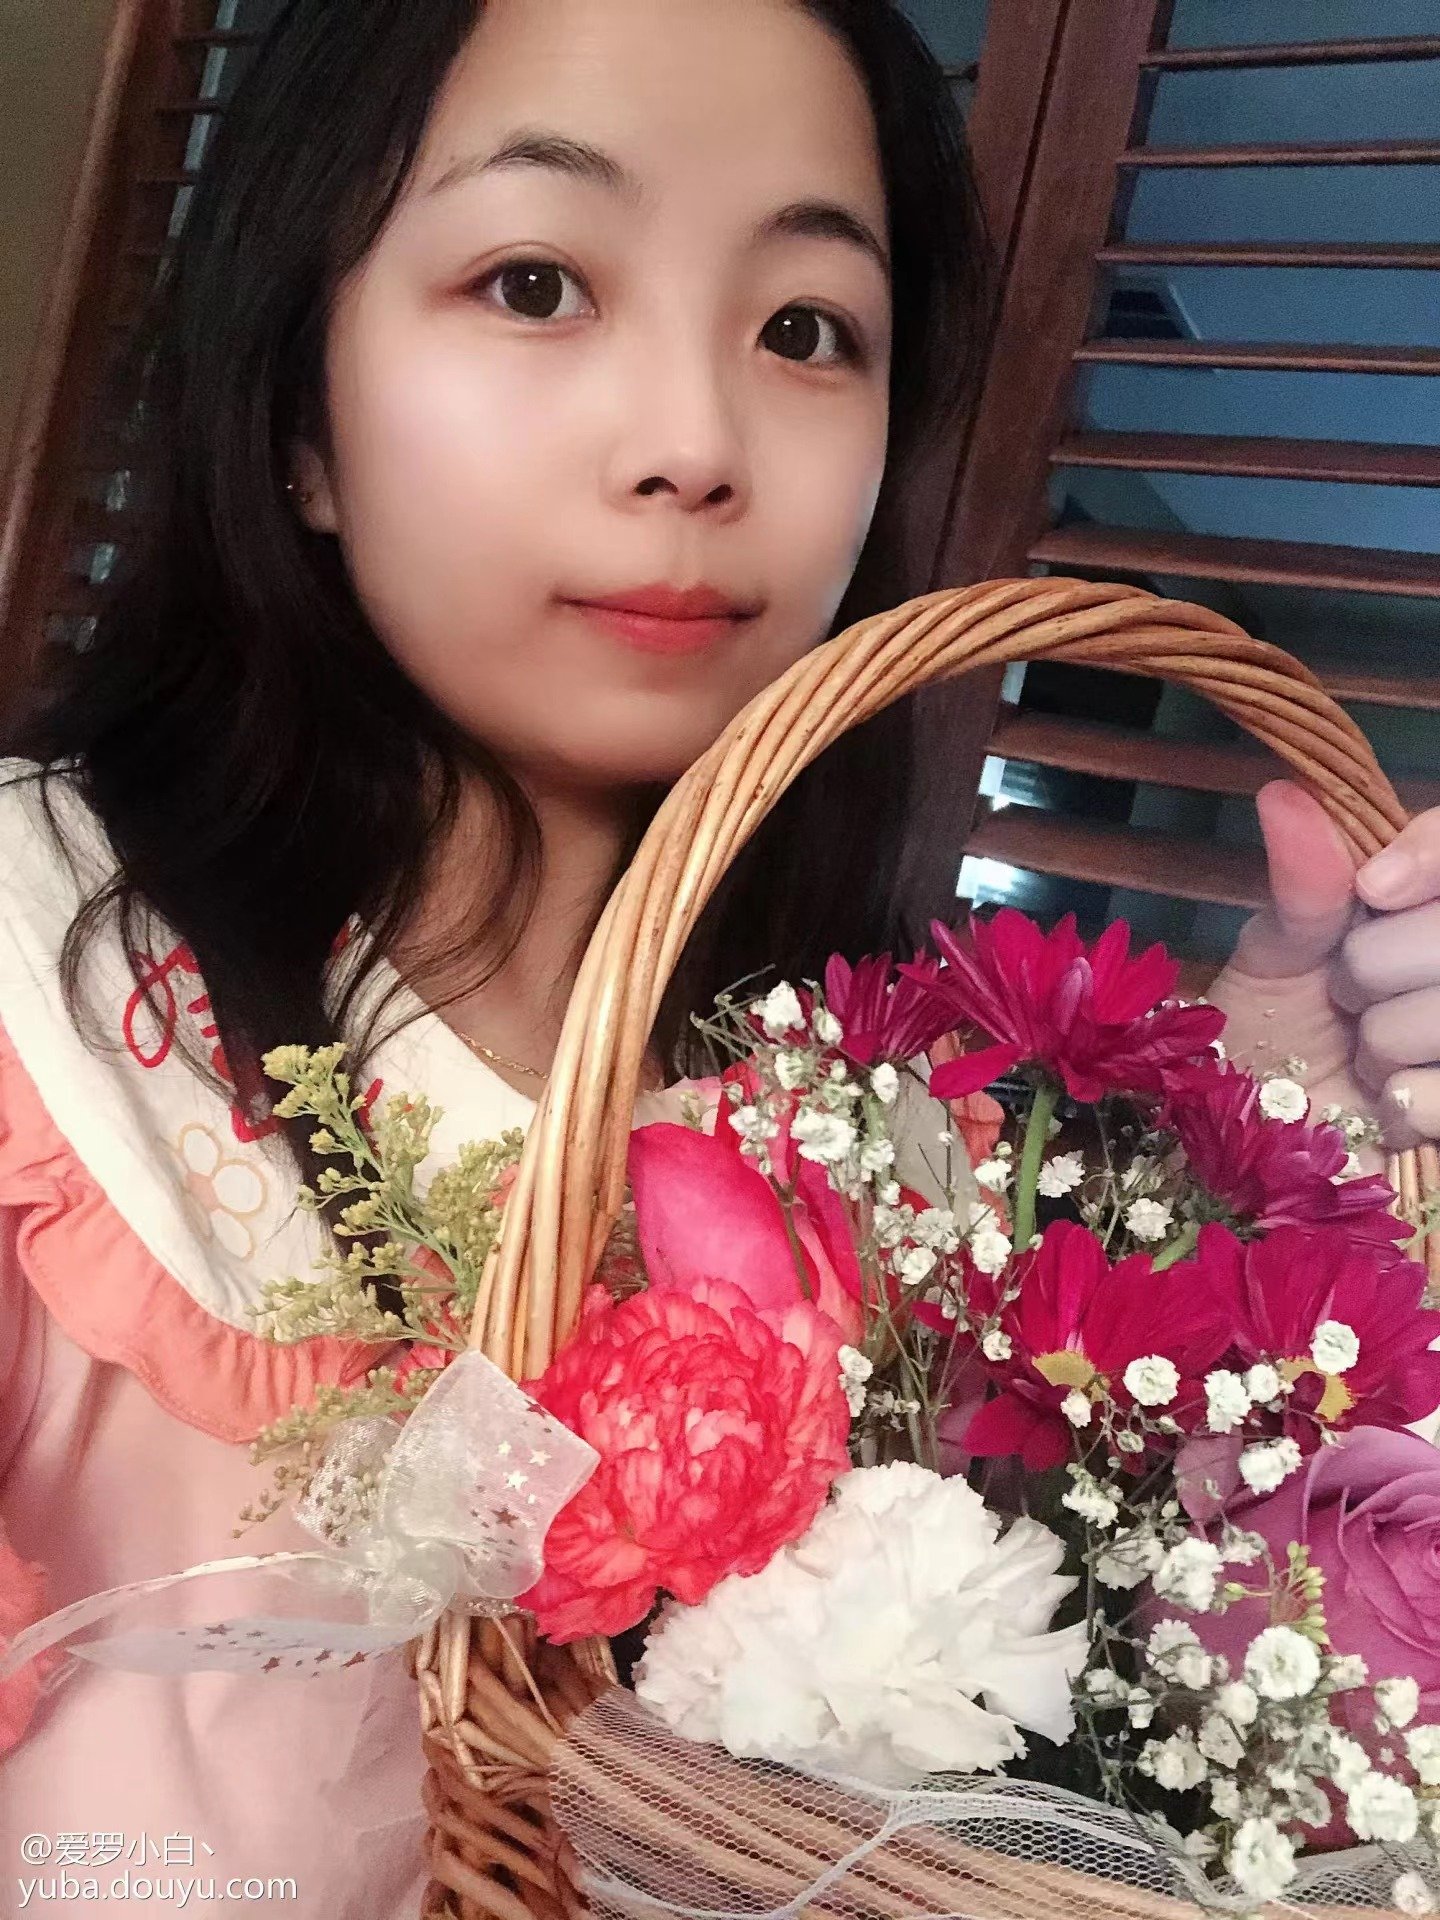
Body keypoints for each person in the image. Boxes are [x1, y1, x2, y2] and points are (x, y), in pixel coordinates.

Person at [0, 1, 1437, 1912]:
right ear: (295, 421)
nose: (695, 443)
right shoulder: (43, 998)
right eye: (534, 282)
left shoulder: (884, 1130)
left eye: (805, 329)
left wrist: (1269, 1157)